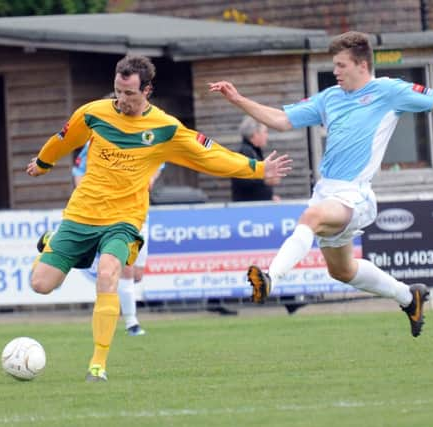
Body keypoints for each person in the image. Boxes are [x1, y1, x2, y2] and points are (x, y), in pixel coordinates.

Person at [209, 31, 433, 338]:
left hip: (355, 195)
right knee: (343, 271)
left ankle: (270, 280)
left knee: (310, 219)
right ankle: (409, 297)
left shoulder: (388, 91)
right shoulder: (330, 98)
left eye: (341, 65)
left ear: (362, 65)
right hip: (326, 192)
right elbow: (280, 120)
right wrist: (238, 98)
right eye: (334, 65)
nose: (335, 71)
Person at [26, 54, 292, 382]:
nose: (121, 100)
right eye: (118, 92)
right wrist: (43, 162)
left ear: (147, 90)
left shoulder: (165, 128)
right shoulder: (93, 113)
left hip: (123, 219)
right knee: (41, 285)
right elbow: (64, 139)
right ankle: (52, 243)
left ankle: (98, 364)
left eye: (129, 94)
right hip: (82, 213)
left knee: (109, 273)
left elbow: (211, 156)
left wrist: (258, 169)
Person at [71, 141, 164, 336]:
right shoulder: (98, 140)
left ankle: (118, 302)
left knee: (137, 274)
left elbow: (159, 160)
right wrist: (86, 196)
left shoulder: (144, 136)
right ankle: (132, 323)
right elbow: (78, 169)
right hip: (115, 216)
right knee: (126, 271)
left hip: (140, 213)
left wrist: (150, 178)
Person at [231, 115, 281, 202]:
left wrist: (270, 197)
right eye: (265, 132)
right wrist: (266, 180)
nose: (267, 136)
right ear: (255, 134)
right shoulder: (245, 152)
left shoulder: (254, 152)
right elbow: (243, 181)